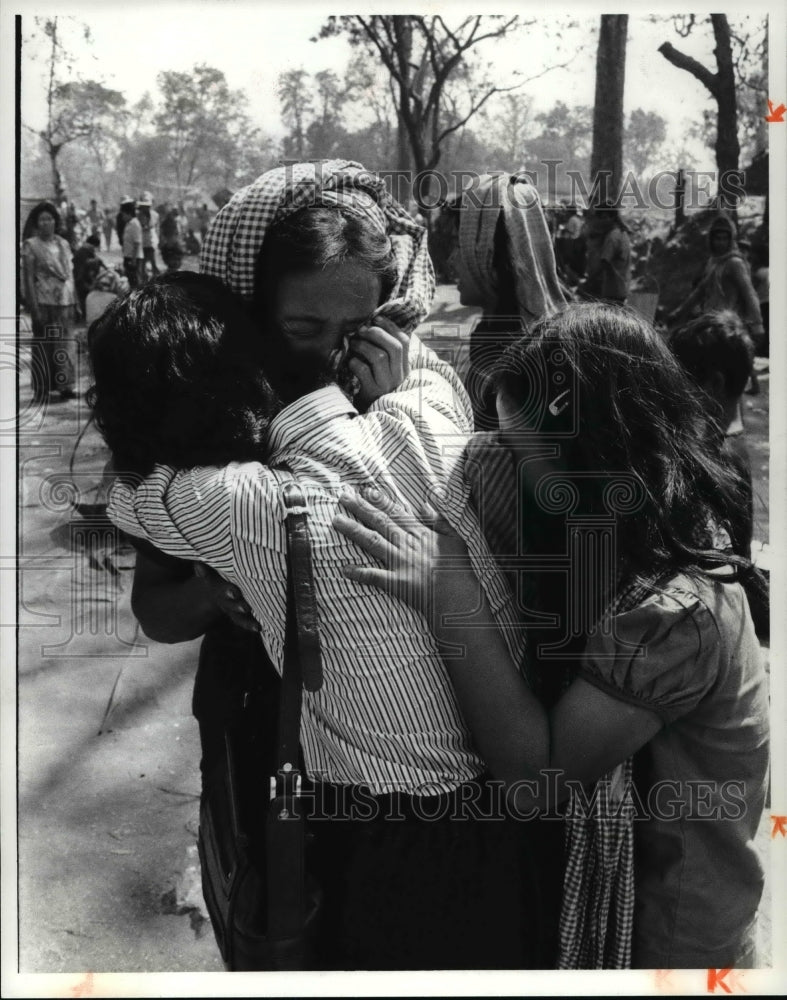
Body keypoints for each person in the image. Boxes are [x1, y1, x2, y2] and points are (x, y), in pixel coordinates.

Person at [98, 160, 555, 971]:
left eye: (359, 327)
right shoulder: (206, 426)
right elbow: (156, 611)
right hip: (266, 741)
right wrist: (213, 590)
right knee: (286, 924)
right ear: (248, 314)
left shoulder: (409, 396)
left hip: (410, 808)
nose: (332, 355)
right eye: (302, 331)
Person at [334, 302, 769, 970]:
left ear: (592, 458)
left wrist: (450, 595)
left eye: (521, 453)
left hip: (674, 938)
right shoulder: (652, 513)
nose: (508, 468)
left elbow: (535, 781)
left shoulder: (676, 615)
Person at [447, 172, 566, 429]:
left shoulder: (521, 359)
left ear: (490, 255)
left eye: (460, 245)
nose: (452, 261)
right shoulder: (504, 333)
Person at [21, 200, 78, 402]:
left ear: (55, 221)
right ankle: (42, 388)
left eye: (50, 218)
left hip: (65, 301)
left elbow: (70, 274)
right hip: (43, 301)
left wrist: (76, 301)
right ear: (37, 224)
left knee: (65, 344)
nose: (46, 223)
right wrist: (32, 305)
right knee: (44, 345)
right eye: (42, 219)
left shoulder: (63, 244)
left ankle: (66, 385)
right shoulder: (31, 246)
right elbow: (28, 277)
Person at [579, 203, 631, 304]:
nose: (600, 221)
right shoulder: (622, 233)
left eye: (602, 218)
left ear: (609, 217)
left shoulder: (612, 237)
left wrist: (589, 282)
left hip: (613, 290)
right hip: (622, 288)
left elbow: (605, 262)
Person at [120, 199, 144, 289]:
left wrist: (133, 260)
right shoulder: (128, 224)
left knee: (136, 282)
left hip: (134, 258)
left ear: (128, 213)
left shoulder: (135, 224)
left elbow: (137, 243)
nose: (122, 217)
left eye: (123, 214)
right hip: (128, 256)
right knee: (131, 281)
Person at [137, 192, 160, 277]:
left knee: (154, 262)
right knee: (142, 264)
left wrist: (158, 240)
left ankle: (156, 278)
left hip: (151, 242)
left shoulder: (155, 215)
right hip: (142, 242)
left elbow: (157, 228)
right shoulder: (138, 215)